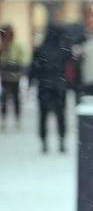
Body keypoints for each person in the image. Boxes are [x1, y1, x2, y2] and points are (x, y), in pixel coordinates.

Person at [29, 24, 72, 153]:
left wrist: (32, 81)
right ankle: (62, 141)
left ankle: (44, 143)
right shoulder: (63, 49)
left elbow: (34, 68)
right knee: (61, 116)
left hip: (44, 87)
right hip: (59, 87)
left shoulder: (41, 49)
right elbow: (70, 62)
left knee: (43, 116)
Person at [0, 25, 27, 129]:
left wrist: (20, 69)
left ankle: (17, 119)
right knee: (4, 98)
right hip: (5, 74)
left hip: (15, 74)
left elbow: (22, 58)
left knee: (16, 97)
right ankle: (4, 119)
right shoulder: (2, 45)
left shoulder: (17, 45)